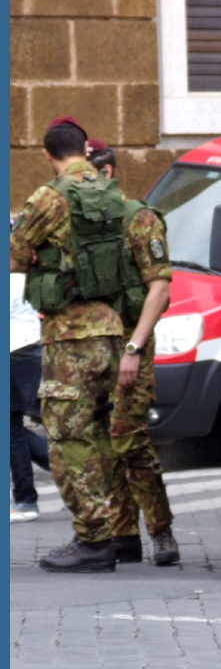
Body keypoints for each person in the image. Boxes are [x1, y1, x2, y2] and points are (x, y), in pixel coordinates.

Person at [10, 117, 125, 571]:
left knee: (67, 439)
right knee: (100, 434)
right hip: (111, 329)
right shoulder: (110, 193)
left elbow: (16, 255)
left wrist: (39, 255)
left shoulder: (50, 196)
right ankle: (116, 529)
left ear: (47, 154)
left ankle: (93, 540)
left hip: (71, 335)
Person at [87, 139, 179, 565]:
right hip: (91, 348)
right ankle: (123, 534)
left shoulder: (139, 220)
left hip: (129, 343)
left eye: (88, 175)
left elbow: (159, 289)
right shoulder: (81, 223)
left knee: (128, 438)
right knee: (103, 442)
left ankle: (161, 531)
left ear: (107, 173)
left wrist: (133, 348)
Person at [10, 244, 50, 523]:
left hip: (14, 352)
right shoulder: (26, 276)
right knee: (13, 429)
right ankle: (69, 473)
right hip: (28, 351)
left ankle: (26, 501)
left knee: (11, 430)